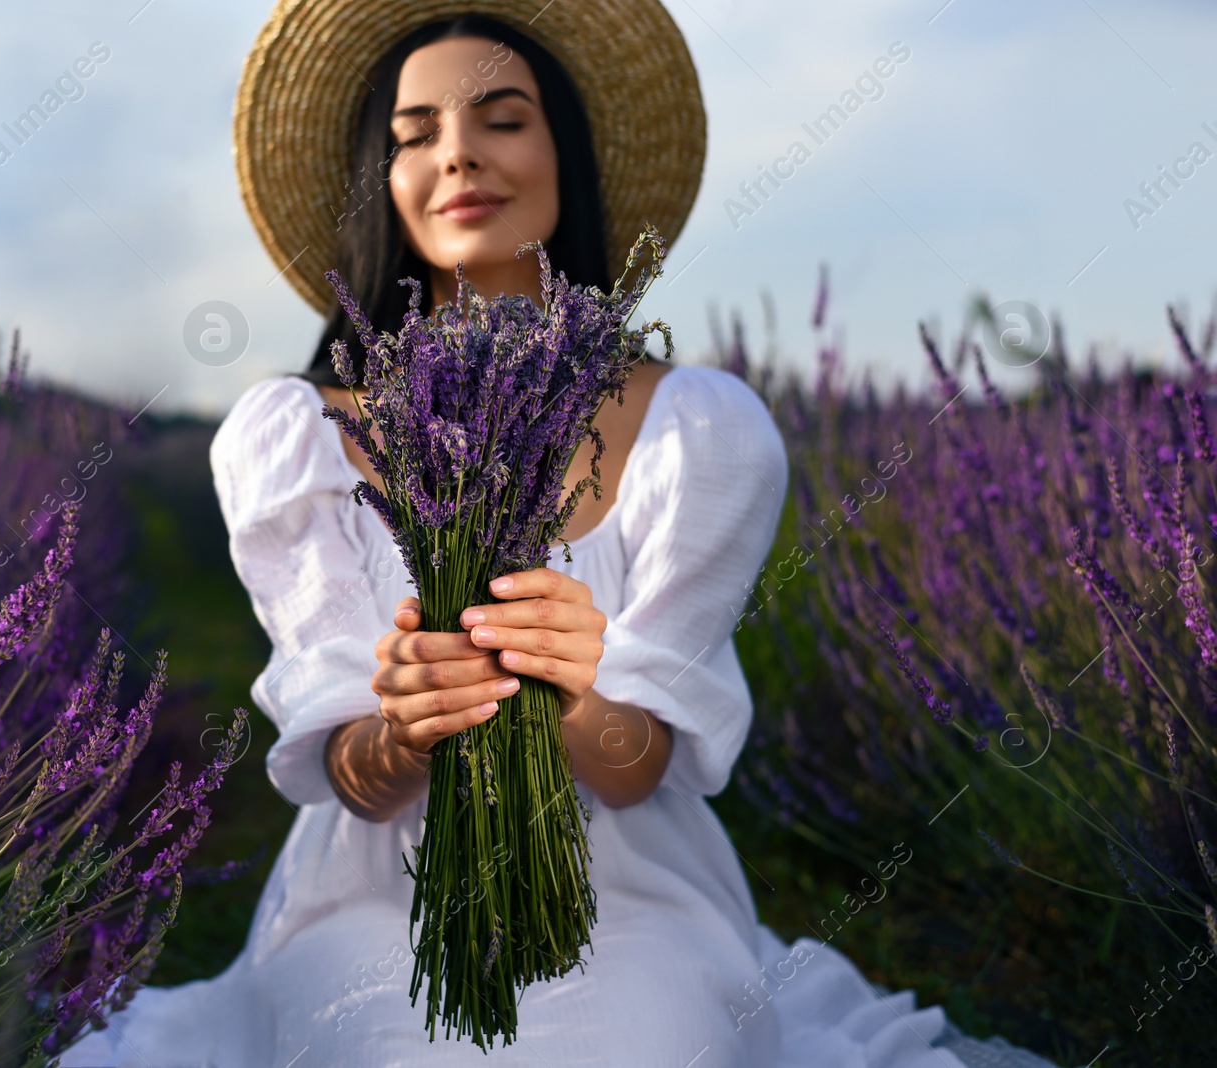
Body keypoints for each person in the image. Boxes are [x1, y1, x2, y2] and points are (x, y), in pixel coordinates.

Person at [62, 4, 1063, 1066]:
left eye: (501, 118)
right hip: (372, 893)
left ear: (563, 154)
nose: (456, 154)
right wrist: (401, 727)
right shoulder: (297, 436)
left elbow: (641, 767)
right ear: (382, 176)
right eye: (411, 134)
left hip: (627, 889)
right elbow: (345, 772)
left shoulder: (696, 427)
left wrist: (579, 693)